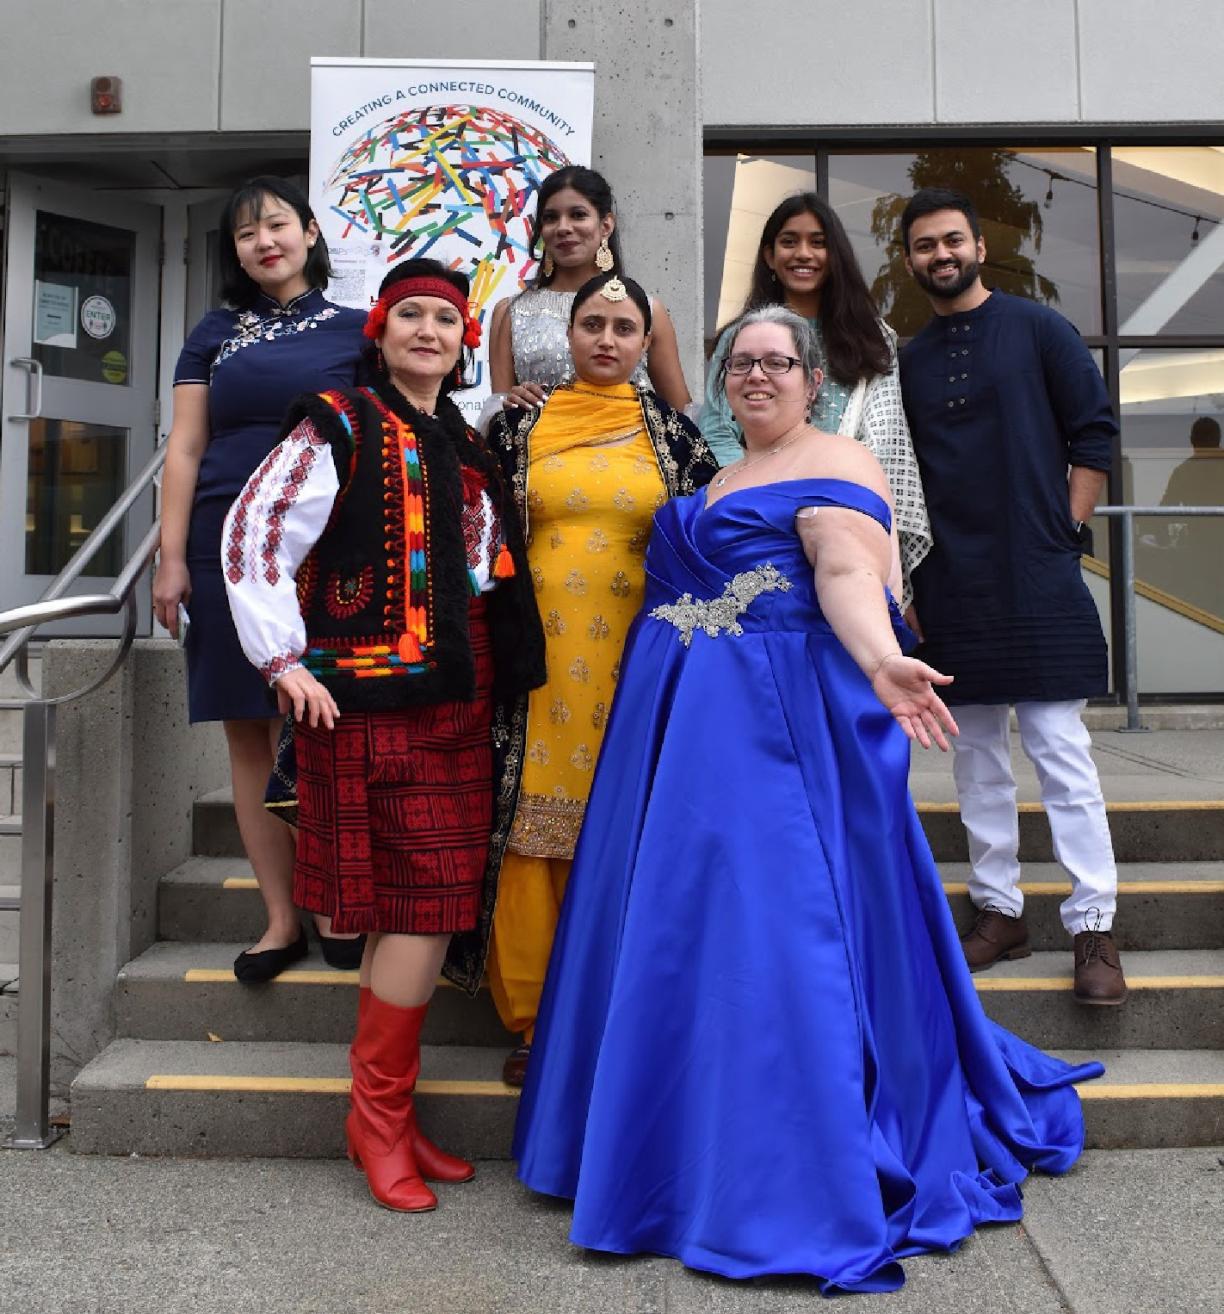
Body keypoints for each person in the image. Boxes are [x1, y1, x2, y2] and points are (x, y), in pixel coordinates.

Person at [513, 305, 1101, 1290]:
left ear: (812, 375)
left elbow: (843, 570)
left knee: (765, 926)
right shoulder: (721, 474)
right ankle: (660, 1143)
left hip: (766, 728)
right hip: (674, 721)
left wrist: (882, 661)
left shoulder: (839, 464)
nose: (755, 376)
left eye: (775, 362)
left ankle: (763, 1167)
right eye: (738, 362)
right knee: (678, 925)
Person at [223, 257, 546, 1212]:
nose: (428, 333)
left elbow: (483, 572)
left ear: (462, 346)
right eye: (409, 316)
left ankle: (385, 1121)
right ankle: (378, 1119)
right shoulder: (340, 421)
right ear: (380, 333)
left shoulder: (465, 441)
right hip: (367, 702)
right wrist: (282, 663)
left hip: (455, 704)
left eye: (445, 323)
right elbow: (255, 536)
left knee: (418, 903)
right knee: (421, 909)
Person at [486, 272, 717, 1087]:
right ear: (570, 333)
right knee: (530, 824)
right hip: (536, 663)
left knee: (630, 823)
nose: (608, 341)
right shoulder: (518, 425)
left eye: (626, 328)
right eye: (594, 324)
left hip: (639, 664)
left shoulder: (678, 438)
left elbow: (712, 555)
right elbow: (477, 541)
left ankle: (624, 1005)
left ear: (648, 342)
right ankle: (534, 1015)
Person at [898, 186, 1126, 1004]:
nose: (941, 255)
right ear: (912, 259)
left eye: (952, 240)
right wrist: (910, 579)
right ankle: (1000, 912)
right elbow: (900, 474)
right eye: (925, 245)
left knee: (1061, 752)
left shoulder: (1039, 329)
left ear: (978, 246)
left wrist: (1063, 532)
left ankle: (1093, 925)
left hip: (1039, 573)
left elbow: (1094, 431)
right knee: (977, 758)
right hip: (950, 582)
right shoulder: (910, 360)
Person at [152, 177, 367, 982]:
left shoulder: (358, 330)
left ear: (310, 232)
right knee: (250, 734)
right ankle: (280, 919)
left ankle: (334, 902)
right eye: (247, 234)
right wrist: (172, 557)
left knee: (324, 729)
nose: (264, 241)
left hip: (324, 549)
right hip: (219, 544)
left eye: (277, 224)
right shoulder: (215, 333)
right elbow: (184, 447)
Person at [701, 192, 931, 606]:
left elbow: (888, 446)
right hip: (760, 525)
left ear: (835, 254)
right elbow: (717, 429)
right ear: (769, 256)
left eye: (818, 242)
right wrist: (768, 496)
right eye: (789, 242)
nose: (803, 253)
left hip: (846, 516)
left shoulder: (870, 339)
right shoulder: (740, 338)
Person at [485, 166, 691, 416]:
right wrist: (511, 401)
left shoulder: (647, 309)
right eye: (550, 218)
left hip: (630, 450)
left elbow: (681, 414)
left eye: (578, 215)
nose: (563, 227)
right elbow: (498, 417)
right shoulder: (511, 312)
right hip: (541, 450)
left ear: (606, 225)